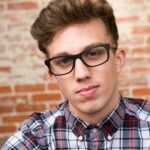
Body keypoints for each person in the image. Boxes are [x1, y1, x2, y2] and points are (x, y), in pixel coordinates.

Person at [2, 0, 150, 149]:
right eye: (64, 61)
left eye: (93, 53)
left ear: (118, 60)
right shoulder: (36, 136)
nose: (81, 74)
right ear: (52, 74)